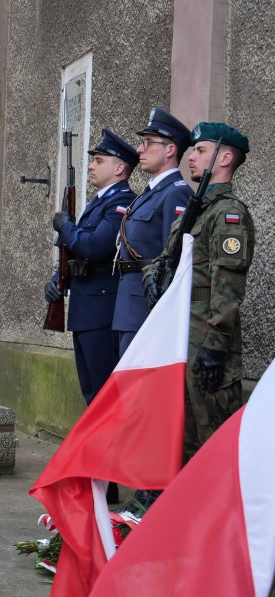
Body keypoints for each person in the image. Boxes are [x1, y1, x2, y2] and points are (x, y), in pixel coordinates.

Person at [143, 123, 254, 464]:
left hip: (206, 343)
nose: (190, 156)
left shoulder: (228, 215)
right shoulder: (196, 211)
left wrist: (215, 346)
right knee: (184, 440)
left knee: (214, 444)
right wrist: (151, 276)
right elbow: (166, 257)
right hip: (180, 339)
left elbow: (228, 285)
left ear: (225, 158)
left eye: (201, 150)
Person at [45, 129, 137, 404]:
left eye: (98, 160)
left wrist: (66, 227)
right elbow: (77, 254)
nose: (91, 166)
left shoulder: (121, 201)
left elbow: (97, 246)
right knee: (92, 395)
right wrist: (59, 280)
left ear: (119, 167)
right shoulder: (99, 203)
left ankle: (111, 449)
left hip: (101, 313)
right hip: (85, 311)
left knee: (104, 397)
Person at [112, 107, 193, 356]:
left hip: (148, 308)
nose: (139, 150)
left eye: (148, 143)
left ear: (170, 150)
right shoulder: (148, 194)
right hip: (130, 306)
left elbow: (174, 258)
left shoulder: (176, 193)